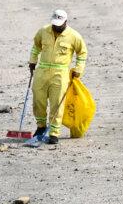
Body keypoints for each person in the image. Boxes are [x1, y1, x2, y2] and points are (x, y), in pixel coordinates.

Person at [26, 10, 88, 147]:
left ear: (66, 22)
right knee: (38, 101)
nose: (56, 26)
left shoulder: (74, 36)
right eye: (54, 24)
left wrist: (78, 69)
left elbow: (82, 53)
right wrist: (32, 61)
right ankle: (41, 127)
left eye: (59, 24)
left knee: (57, 103)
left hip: (60, 74)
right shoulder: (43, 31)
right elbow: (36, 46)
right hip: (42, 71)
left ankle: (54, 133)